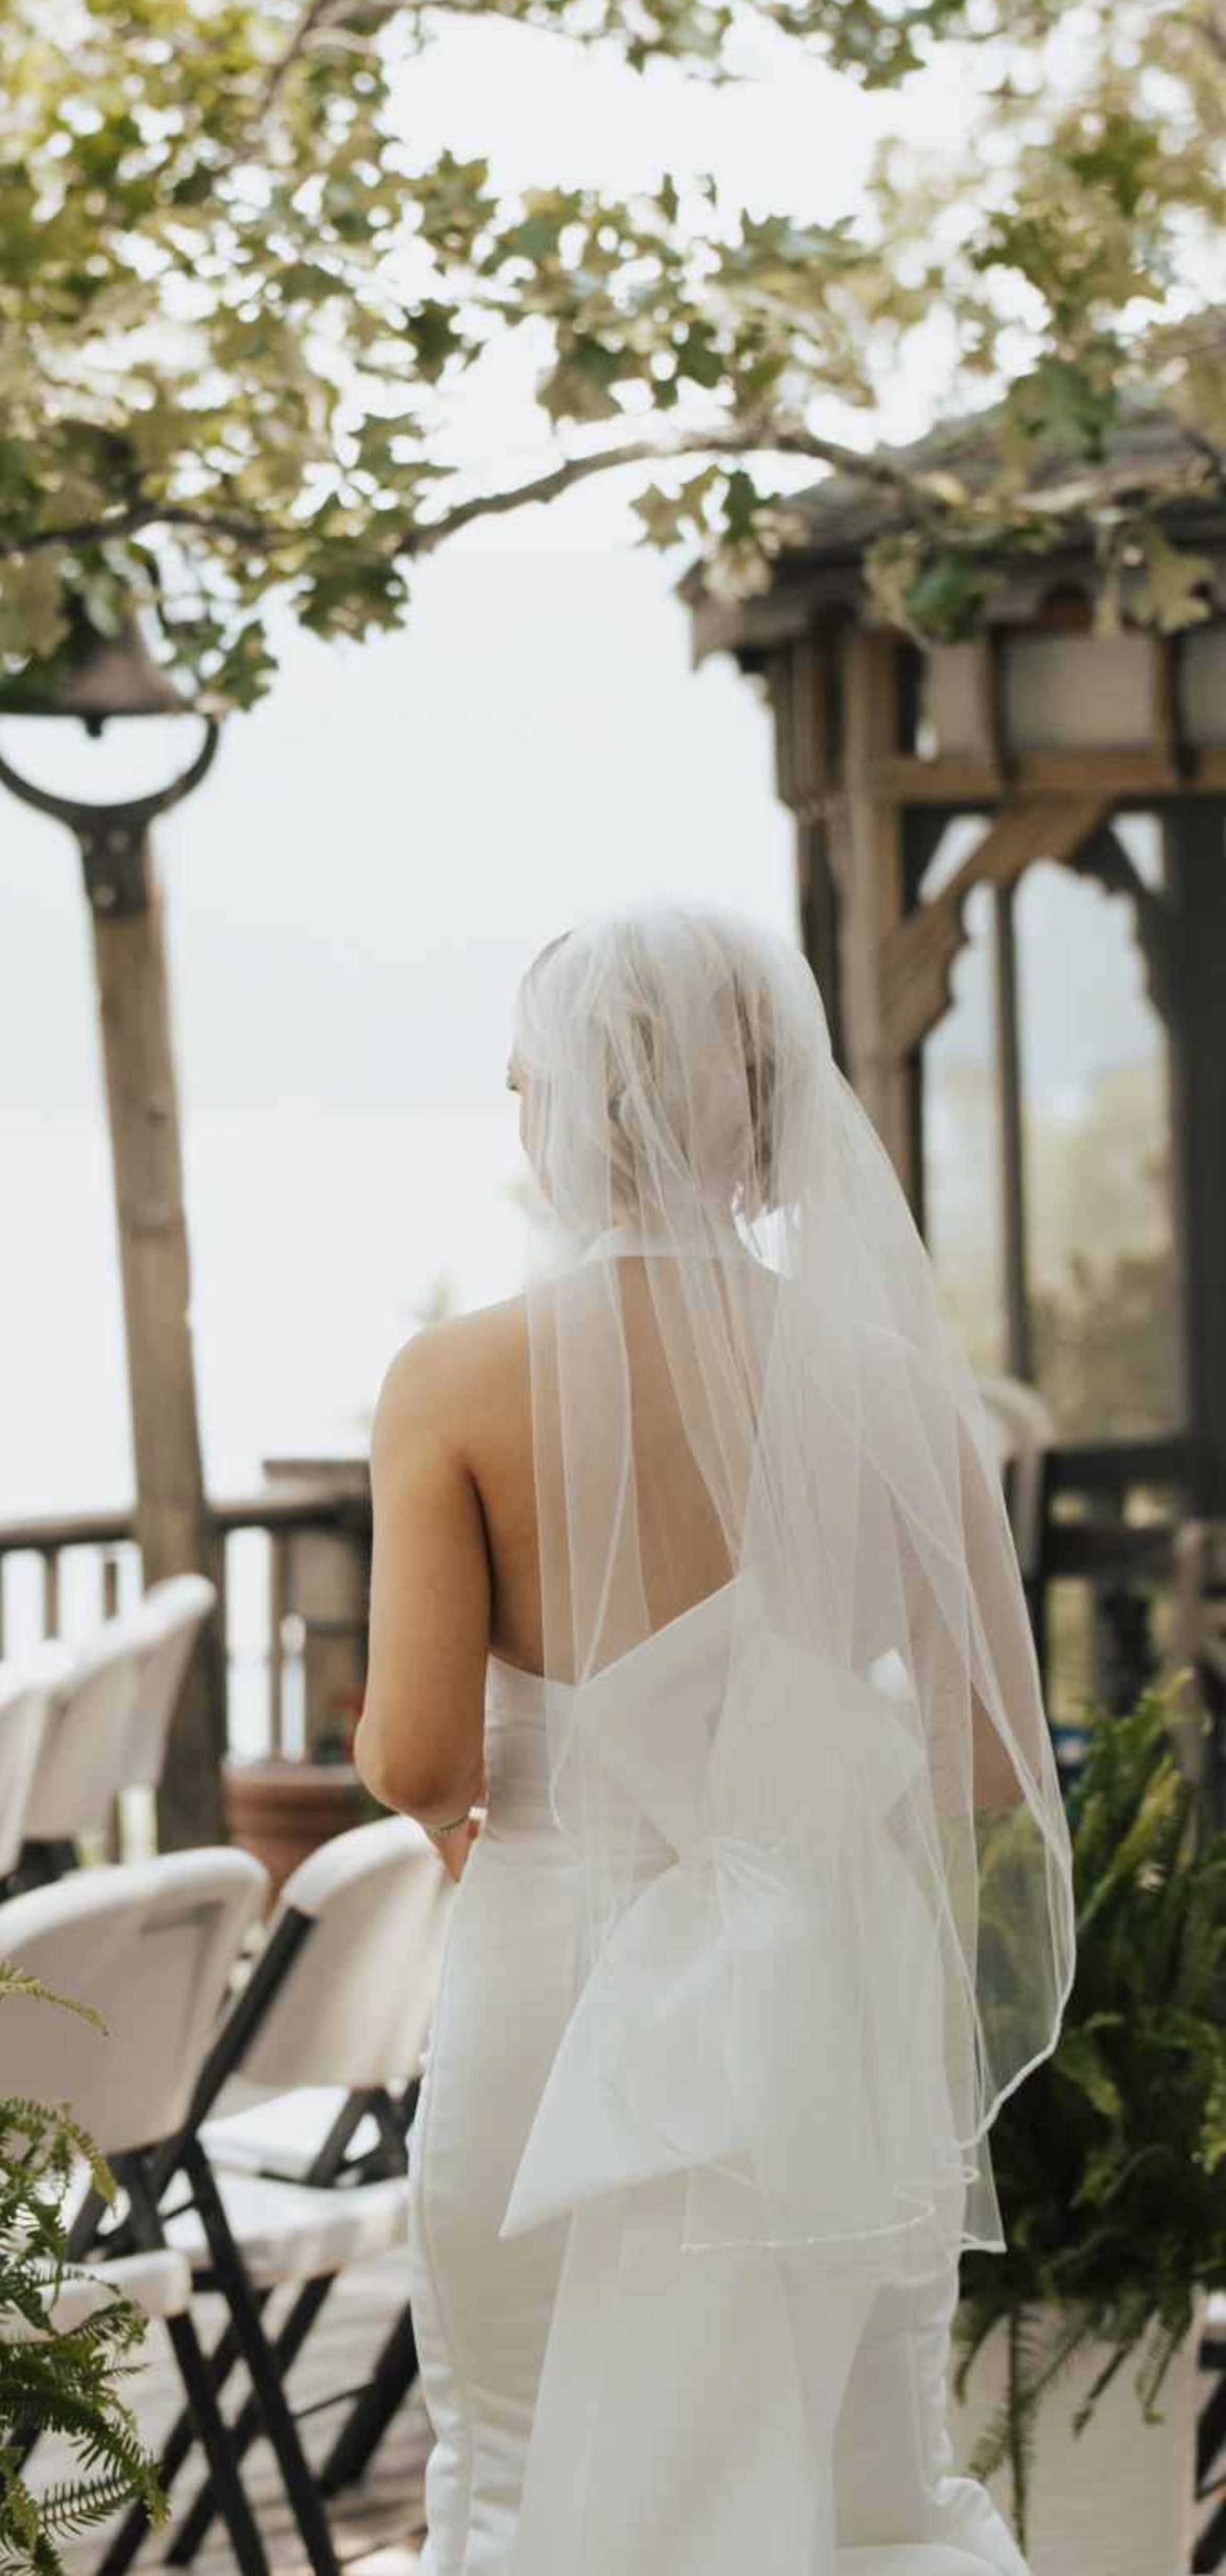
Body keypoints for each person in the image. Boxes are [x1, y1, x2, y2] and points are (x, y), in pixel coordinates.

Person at [354, 898, 1074, 2576]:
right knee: (858, 2467)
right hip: (830, 1980)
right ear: (772, 1114)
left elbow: (417, 1763)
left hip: (551, 1970)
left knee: (524, 2460)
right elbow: (983, 1767)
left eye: (527, 1077)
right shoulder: (895, 1392)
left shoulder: (452, 1383)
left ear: (576, 1109)